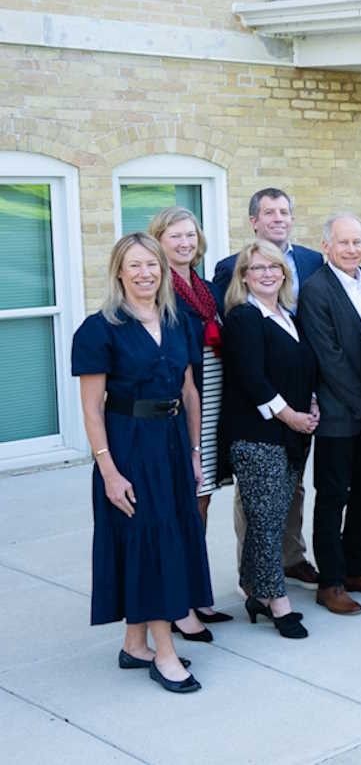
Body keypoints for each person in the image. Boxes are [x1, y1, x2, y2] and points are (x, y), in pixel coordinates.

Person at [73, 233, 212, 693]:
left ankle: (136, 644)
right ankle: (165, 653)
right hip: (129, 446)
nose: (144, 273)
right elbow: (92, 408)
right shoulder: (100, 328)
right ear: (118, 271)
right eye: (134, 265)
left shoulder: (179, 322)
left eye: (151, 264)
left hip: (172, 443)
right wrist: (108, 471)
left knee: (164, 537)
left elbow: (190, 392)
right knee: (148, 541)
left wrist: (194, 454)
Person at [214, 187, 322, 592]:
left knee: (292, 486)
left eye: (284, 211)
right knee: (257, 497)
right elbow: (241, 352)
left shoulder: (311, 260)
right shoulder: (230, 269)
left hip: (299, 390)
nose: (278, 218)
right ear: (254, 221)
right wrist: (282, 408)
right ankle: (256, 575)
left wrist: (308, 399)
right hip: (261, 408)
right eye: (268, 212)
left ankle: (291, 557)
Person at [298, 213, 361, 615]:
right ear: (327, 246)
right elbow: (330, 359)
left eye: (358, 242)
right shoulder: (315, 290)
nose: (353, 249)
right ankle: (331, 581)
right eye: (344, 243)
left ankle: (358, 569)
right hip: (341, 414)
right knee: (333, 496)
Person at [147, 206, 231, 635]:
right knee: (183, 506)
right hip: (183, 408)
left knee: (202, 501)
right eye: (174, 236)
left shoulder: (207, 289)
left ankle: (196, 592)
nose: (184, 243)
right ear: (158, 241)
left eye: (190, 236)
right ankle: (179, 604)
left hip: (213, 408)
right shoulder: (161, 290)